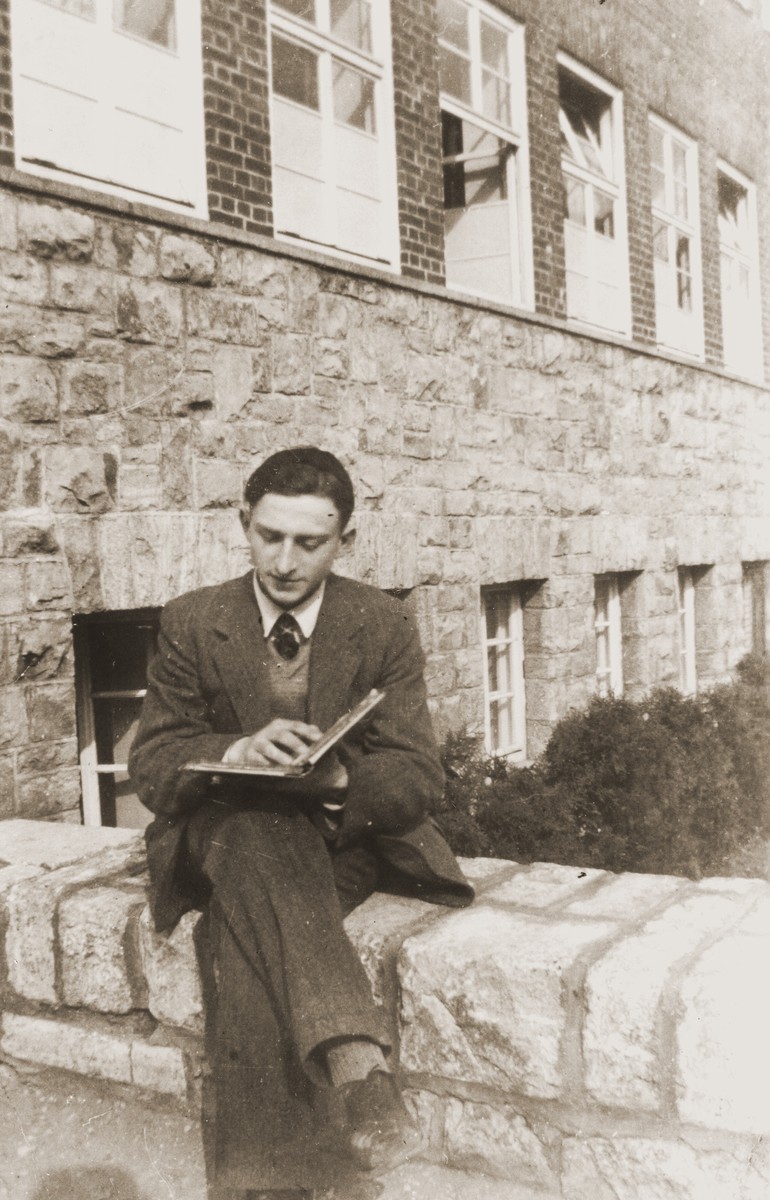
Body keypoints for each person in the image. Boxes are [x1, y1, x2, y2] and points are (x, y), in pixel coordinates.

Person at [128, 447, 473, 1199]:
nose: (283, 561)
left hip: (337, 838)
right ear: (243, 523)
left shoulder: (380, 623)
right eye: (268, 536)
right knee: (253, 829)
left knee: (241, 938)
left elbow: (418, 776)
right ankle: (358, 1065)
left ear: (344, 541)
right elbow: (152, 766)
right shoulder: (194, 620)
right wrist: (233, 750)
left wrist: (342, 777)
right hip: (219, 834)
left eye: (309, 543)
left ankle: (262, 1187)